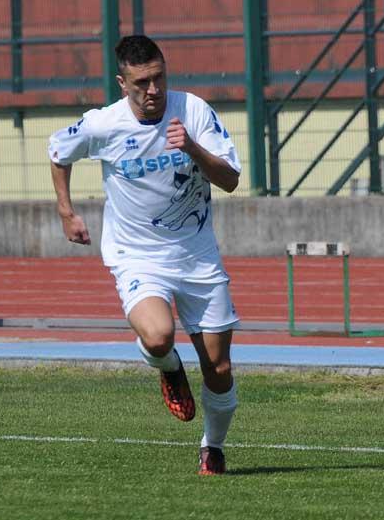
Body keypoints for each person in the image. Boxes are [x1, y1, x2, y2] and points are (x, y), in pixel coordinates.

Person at [48, 35, 242, 476]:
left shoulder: (192, 110)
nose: (153, 90)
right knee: (157, 336)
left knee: (219, 368)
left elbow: (230, 179)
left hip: (197, 256)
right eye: (141, 83)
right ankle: (168, 366)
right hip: (137, 257)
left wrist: (192, 147)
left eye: (159, 78)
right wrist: (66, 211)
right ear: (123, 83)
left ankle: (212, 447)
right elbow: (59, 152)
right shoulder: (103, 125)